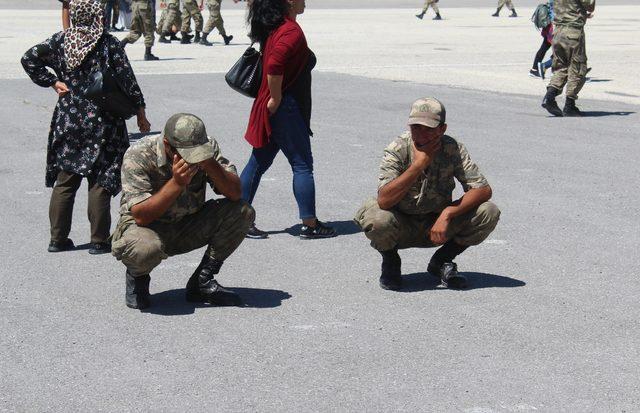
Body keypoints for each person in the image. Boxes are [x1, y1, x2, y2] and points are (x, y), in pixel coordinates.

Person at [21, 0, 150, 255]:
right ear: (97, 15)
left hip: (68, 119)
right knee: (100, 180)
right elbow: (127, 79)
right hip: (103, 120)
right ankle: (99, 240)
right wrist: (140, 112)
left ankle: (57, 239)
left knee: (66, 179)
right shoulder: (107, 42)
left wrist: (53, 82)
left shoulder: (61, 40)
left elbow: (28, 58)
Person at [354, 98, 500, 291]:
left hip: (437, 224)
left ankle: (441, 261)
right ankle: (390, 262)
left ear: (442, 129)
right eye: (416, 127)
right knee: (378, 218)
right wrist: (418, 165)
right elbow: (385, 199)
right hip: (401, 224)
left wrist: (448, 213)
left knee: (488, 211)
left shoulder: (451, 147)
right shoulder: (398, 148)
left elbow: (482, 189)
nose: (421, 134)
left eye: (428, 128)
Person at [111, 113, 254, 310]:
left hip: (187, 223)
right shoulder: (139, 154)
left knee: (242, 211)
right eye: (189, 153)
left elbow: (235, 193)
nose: (194, 158)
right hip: (148, 228)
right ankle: (138, 278)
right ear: (167, 145)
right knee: (144, 249)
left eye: (198, 151)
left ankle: (202, 281)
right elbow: (141, 216)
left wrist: (208, 162)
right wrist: (177, 183)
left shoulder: (207, 147)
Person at [240, 0, 336, 240]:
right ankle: (310, 224)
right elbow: (274, 64)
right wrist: (276, 97)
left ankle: (237, 220)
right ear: (290, 1)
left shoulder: (278, 26)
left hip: (275, 107)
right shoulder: (290, 30)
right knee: (302, 164)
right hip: (286, 108)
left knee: (258, 162)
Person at [541, 0, 595, 117]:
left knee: (561, 67)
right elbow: (590, 6)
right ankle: (570, 105)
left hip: (558, 32)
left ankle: (549, 97)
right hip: (573, 32)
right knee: (577, 68)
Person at [530, 0, 554, 78]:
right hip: (555, 25)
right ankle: (548, 67)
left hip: (550, 24)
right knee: (560, 50)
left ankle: (534, 69)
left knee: (544, 47)